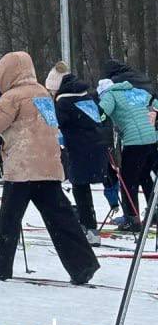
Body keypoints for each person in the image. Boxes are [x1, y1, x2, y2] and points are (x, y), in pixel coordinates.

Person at [0, 51, 99, 284]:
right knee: (61, 218)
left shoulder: (12, 97)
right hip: (48, 164)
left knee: (9, 220)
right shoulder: (43, 93)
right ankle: (83, 264)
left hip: (23, 167)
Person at [98, 58, 158, 233]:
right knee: (145, 176)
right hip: (152, 138)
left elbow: (101, 114)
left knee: (128, 180)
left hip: (134, 141)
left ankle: (132, 220)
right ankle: (154, 211)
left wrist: (95, 125)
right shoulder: (138, 91)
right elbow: (155, 105)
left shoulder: (110, 94)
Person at [55, 72, 110, 245]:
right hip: (99, 144)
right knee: (108, 180)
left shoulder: (63, 102)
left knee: (80, 188)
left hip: (79, 148)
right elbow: (102, 116)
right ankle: (130, 215)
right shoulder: (90, 97)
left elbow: (57, 124)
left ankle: (89, 227)